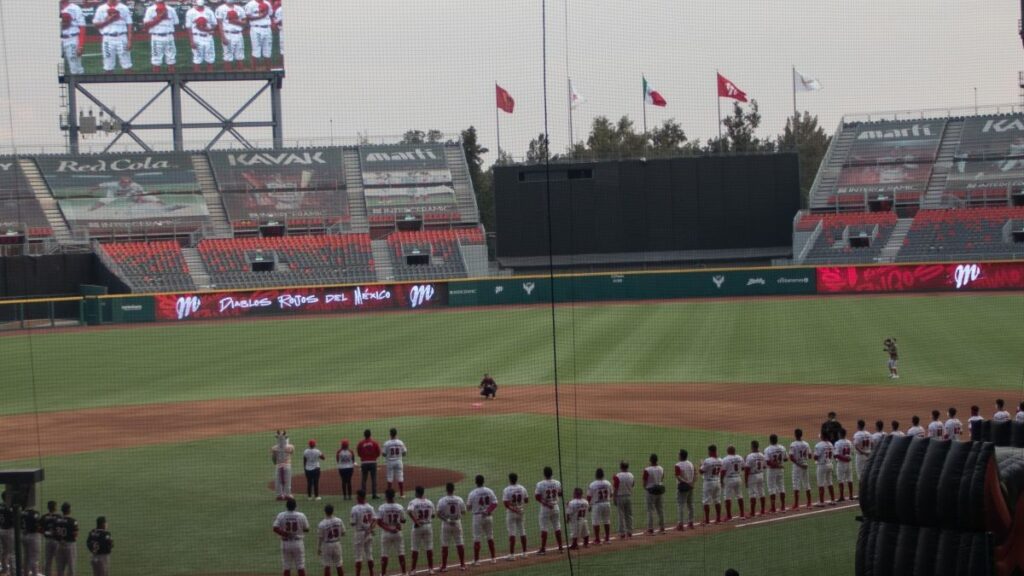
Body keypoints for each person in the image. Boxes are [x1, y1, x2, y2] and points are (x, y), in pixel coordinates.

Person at [92, 0, 133, 74]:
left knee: (127, 65)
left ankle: (130, 83)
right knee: (108, 66)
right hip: (108, 38)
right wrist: (108, 20)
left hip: (122, 37)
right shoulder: (101, 8)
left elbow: (129, 24)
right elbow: (95, 24)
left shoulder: (124, 8)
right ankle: (109, 84)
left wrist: (129, 41)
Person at [273, 498, 310, 576]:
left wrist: (284, 534)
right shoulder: (301, 515)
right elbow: (307, 529)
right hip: (298, 543)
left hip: (285, 543)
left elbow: (275, 528)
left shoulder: (281, 515)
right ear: (295, 506)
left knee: (286, 567)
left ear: (286, 506)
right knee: (300, 566)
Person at [436, 482, 467, 572]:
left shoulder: (442, 500)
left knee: (445, 544)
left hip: (446, 524)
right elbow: (464, 512)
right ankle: (462, 565)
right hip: (457, 523)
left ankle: (444, 566)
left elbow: (438, 514)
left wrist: (447, 520)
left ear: (446, 489)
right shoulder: (459, 499)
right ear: (454, 489)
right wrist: (457, 516)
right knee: (459, 542)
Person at [466, 475, 497, 565]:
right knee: (490, 536)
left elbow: (468, 507)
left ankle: (477, 561)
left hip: (477, 517)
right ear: (483, 481)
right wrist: (487, 511)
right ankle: (493, 558)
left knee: (477, 538)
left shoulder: (472, 493)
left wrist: (474, 507)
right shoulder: (489, 491)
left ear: (476, 482)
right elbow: (495, 503)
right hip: (488, 516)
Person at [376, 489, 407, 576]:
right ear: (394, 496)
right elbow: (403, 520)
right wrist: (397, 524)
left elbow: (379, 522)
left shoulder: (382, 507)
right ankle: (404, 573)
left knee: (384, 554)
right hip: (397, 533)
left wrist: (389, 529)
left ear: (386, 496)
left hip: (386, 533)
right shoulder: (399, 507)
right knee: (401, 553)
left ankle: (383, 573)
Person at [142, 0, 178, 73]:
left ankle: (172, 80)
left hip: (169, 36)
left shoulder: (171, 9)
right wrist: (159, 18)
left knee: (171, 59)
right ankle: (156, 81)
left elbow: (176, 23)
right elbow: (146, 25)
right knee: (156, 60)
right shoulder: (150, 9)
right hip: (156, 36)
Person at [534, 466, 564, 554]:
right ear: (552, 473)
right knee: (557, 526)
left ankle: (543, 549)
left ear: (544, 474)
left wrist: (547, 503)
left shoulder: (540, 484)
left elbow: (537, 497)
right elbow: (560, 493)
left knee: (544, 528)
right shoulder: (557, 483)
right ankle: (561, 547)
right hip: (555, 507)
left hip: (545, 508)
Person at [406, 486, 436, 574]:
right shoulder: (429, 502)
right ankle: (431, 569)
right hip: (428, 526)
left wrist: (416, 520)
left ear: (416, 492)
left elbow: (408, 511)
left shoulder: (413, 502)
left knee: (415, 548)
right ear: (423, 492)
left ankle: (413, 570)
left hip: (417, 527)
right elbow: (433, 515)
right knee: (429, 547)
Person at [502, 473, 529, 560]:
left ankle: (512, 555)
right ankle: (525, 553)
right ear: (516, 479)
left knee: (512, 533)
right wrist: (520, 507)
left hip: (511, 513)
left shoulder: (506, 490)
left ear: (509, 479)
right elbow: (526, 500)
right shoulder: (522, 488)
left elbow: (506, 504)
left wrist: (514, 509)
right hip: (521, 512)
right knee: (522, 531)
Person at [349, 490, 376, 576]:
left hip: (359, 533)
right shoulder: (370, 507)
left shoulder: (355, 508)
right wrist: (370, 528)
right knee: (369, 554)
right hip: (369, 533)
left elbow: (352, 523)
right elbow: (375, 520)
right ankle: (372, 573)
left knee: (358, 556)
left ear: (360, 497)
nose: (356, 497)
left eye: (357, 496)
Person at [186, 0, 217, 72]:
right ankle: (197, 76)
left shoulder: (209, 11)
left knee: (210, 58)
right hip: (197, 37)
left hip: (208, 37)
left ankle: (210, 76)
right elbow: (189, 28)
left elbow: (214, 24)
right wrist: (192, 41)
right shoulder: (190, 12)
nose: (199, 7)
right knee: (197, 58)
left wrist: (208, 29)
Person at [215, 0, 246, 71]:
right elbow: (220, 24)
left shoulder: (239, 8)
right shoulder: (221, 8)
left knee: (240, 55)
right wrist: (223, 37)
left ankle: (242, 76)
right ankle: (228, 78)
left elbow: (245, 22)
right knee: (228, 56)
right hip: (228, 34)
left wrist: (235, 21)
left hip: (238, 34)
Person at [244, 0, 274, 70]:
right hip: (256, 28)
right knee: (256, 50)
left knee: (268, 50)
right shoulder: (250, 4)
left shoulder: (267, 3)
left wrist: (263, 15)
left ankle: (268, 70)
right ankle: (254, 71)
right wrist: (260, 16)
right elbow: (247, 17)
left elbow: (270, 15)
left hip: (267, 28)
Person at [59, 0, 87, 75]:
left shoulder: (75, 8)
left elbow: (82, 27)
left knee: (75, 67)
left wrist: (80, 45)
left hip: (72, 39)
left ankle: (79, 84)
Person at [317, 504, 345, 576]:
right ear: (333, 511)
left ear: (325, 512)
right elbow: (343, 532)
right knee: (339, 564)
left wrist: (319, 548)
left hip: (327, 545)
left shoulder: (322, 523)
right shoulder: (339, 520)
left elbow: (320, 537)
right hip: (337, 544)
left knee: (327, 566)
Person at [587, 468, 613, 542]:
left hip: (597, 505)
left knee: (596, 522)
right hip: (607, 503)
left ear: (596, 475)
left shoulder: (592, 484)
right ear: (603, 475)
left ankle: (597, 539)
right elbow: (611, 494)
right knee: (607, 521)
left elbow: (589, 497)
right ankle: (607, 538)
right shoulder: (608, 483)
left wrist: (589, 505)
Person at [788, 429, 812, 510]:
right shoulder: (806, 444)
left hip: (797, 466)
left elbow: (791, 457)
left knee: (796, 484)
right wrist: (804, 461)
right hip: (805, 465)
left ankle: (796, 505)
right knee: (806, 484)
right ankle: (809, 503)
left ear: (795, 435)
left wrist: (799, 463)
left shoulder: (793, 444)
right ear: (801, 434)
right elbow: (810, 455)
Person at [700, 445, 723, 524]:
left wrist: (701, 464)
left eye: (709, 451)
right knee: (717, 501)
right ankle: (718, 519)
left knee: (706, 501)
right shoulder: (720, 460)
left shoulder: (707, 460)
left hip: (708, 483)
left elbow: (701, 471)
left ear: (711, 451)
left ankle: (707, 521)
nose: (708, 452)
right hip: (717, 481)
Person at [643, 454, 666, 533]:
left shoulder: (647, 469)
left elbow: (644, 482)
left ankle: (650, 529)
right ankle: (662, 527)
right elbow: (662, 478)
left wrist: (646, 488)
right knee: (660, 509)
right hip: (659, 490)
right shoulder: (661, 468)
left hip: (650, 491)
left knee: (650, 510)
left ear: (650, 460)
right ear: (657, 460)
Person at [720, 446, 745, 521]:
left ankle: (729, 516)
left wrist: (721, 480)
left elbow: (723, 472)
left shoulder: (725, 459)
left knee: (727, 497)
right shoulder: (740, 457)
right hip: (738, 478)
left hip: (729, 479)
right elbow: (743, 468)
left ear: (728, 451)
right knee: (739, 496)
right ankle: (742, 515)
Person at [764, 434, 787, 513]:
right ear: (777, 440)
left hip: (771, 471)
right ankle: (783, 507)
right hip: (780, 470)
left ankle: (773, 508)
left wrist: (776, 464)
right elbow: (786, 458)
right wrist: (779, 464)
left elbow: (767, 462)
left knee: (771, 488)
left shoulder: (767, 449)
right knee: (781, 487)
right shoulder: (782, 448)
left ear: (770, 440)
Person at [54, 502, 78, 576]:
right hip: (69, 545)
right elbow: (75, 534)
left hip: (59, 545)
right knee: (71, 566)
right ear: (69, 510)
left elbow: (54, 533)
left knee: (60, 567)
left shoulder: (57, 520)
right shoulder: (72, 521)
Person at [744, 441, 767, 517]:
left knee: (752, 494)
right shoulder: (762, 455)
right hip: (761, 475)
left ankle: (752, 513)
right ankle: (763, 511)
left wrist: (746, 481)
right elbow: (764, 466)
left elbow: (747, 469)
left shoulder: (750, 456)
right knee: (761, 492)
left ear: (752, 446)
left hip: (753, 476)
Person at [382, 429, 408, 499]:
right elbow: (405, 452)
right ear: (396, 434)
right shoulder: (400, 442)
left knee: (389, 477)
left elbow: (383, 454)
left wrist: (389, 455)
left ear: (390, 434)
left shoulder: (387, 443)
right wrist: (399, 455)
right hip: (399, 462)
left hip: (390, 462)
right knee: (400, 477)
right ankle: (402, 494)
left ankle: (389, 495)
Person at [612, 461, 634, 539]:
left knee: (621, 515)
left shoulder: (617, 476)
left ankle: (622, 533)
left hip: (620, 497)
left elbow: (615, 488)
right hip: (628, 496)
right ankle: (630, 532)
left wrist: (614, 497)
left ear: (621, 467)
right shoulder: (631, 475)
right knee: (629, 515)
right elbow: (632, 485)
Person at [813, 433, 836, 507]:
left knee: (821, 484)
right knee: (830, 482)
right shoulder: (830, 444)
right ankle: (833, 500)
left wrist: (816, 459)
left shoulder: (819, 445)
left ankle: (821, 502)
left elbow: (816, 457)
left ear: (823, 436)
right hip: (830, 464)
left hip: (822, 465)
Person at [357, 430, 382, 500]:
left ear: (364, 435)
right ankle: (374, 494)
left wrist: (363, 457)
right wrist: (374, 458)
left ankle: (363, 494)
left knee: (364, 479)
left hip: (364, 463)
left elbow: (358, 452)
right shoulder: (374, 442)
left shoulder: (361, 443)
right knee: (374, 478)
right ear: (370, 435)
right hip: (373, 462)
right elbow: (378, 452)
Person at [273, 430, 296, 501]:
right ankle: (287, 494)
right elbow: (292, 452)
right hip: (287, 465)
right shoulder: (291, 447)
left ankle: (280, 495)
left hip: (279, 465)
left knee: (278, 480)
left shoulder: (274, 448)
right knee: (288, 480)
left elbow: (273, 458)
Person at [834, 429, 855, 501]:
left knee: (841, 480)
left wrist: (844, 458)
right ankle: (851, 495)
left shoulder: (837, 443)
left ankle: (842, 496)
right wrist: (847, 458)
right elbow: (852, 453)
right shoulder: (849, 442)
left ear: (840, 434)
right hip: (849, 463)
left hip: (841, 463)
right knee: (850, 479)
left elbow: (836, 455)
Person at [22, 504, 43, 576]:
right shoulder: (35, 513)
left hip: (24, 535)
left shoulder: (22, 512)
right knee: (34, 558)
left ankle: (25, 574)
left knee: (26, 557)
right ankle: (34, 574)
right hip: (33, 536)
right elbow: (38, 526)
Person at [42, 500, 61, 576]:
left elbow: (40, 528)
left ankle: (47, 574)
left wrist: (46, 533)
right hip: (57, 541)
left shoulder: (44, 517)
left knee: (48, 560)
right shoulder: (59, 517)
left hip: (48, 540)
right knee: (58, 560)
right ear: (55, 507)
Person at [0, 493, 12, 576]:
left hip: (1, 529)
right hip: (8, 531)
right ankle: (11, 571)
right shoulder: (10, 508)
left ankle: (5, 569)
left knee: (4, 552)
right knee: (10, 552)